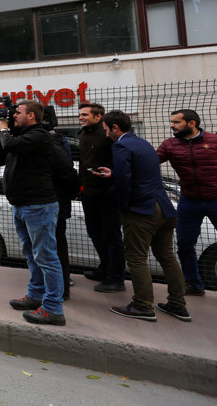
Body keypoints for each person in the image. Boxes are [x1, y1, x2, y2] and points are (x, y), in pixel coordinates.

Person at [97, 110, 190, 322]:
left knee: (137, 258)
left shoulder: (120, 146)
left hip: (142, 211)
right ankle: (178, 304)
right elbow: (142, 173)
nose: (105, 135)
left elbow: (124, 183)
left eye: (106, 130)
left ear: (115, 128)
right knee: (167, 256)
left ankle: (142, 305)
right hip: (164, 207)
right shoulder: (143, 144)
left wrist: (122, 207)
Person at [0, 100, 64, 326]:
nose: (13, 116)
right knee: (31, 255)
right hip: (23, 205)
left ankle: (53, 308)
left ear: (32, 115)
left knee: (47, 257)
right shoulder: (21, 138)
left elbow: (11, 145)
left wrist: (4, 129)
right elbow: (3, 156)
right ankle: (35, 295)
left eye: (18, 113)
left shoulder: (40, 135)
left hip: (38, 205)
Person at [156, 109, 217, 296]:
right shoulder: (170, 144)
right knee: (184, 244)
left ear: (192, 123)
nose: (172, 125)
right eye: (171, 122)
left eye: (176, 122)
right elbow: (150, 160)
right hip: (189, 201)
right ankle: (194, 284)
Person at [78, 102, 126, 292]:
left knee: (112, 236)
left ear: (98, 117)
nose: (81, 117)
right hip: (88, 193)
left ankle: (116, 278)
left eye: (85, 115)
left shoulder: (108, 135)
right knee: (95, 233)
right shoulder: (81, 134)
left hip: (107, 194)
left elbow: (120, 161)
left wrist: (113, 182)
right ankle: (105, 268)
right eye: (80, 115)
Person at [50, 130, 80, 301]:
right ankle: (57, 288)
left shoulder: (53, 145)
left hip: (55, 204)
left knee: (56, 246)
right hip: (55, 202)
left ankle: (60, 290)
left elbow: (69, 174)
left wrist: (73, 191)